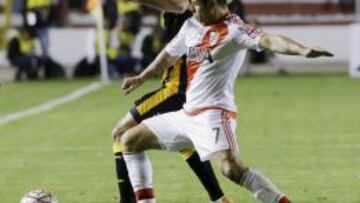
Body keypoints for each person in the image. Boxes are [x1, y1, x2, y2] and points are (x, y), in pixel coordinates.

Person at [118, 1, 333, 203]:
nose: (192, 10)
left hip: (214, 115)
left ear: (212, 4)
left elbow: (269, 40)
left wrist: (302, 50)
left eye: (196, 5)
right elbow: (168, 56)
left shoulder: (235, 29)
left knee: (231, 169)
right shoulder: (192, 25)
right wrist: (142, 77)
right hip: (186, 115)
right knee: (129, 140)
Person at [112, 3, 233, 203]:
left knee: (120, 133)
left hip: (175, 90)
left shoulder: (188, 6)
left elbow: (177, 6)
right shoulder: (198, 13)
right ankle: (219, 198)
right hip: (187, 91)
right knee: (186, 145)